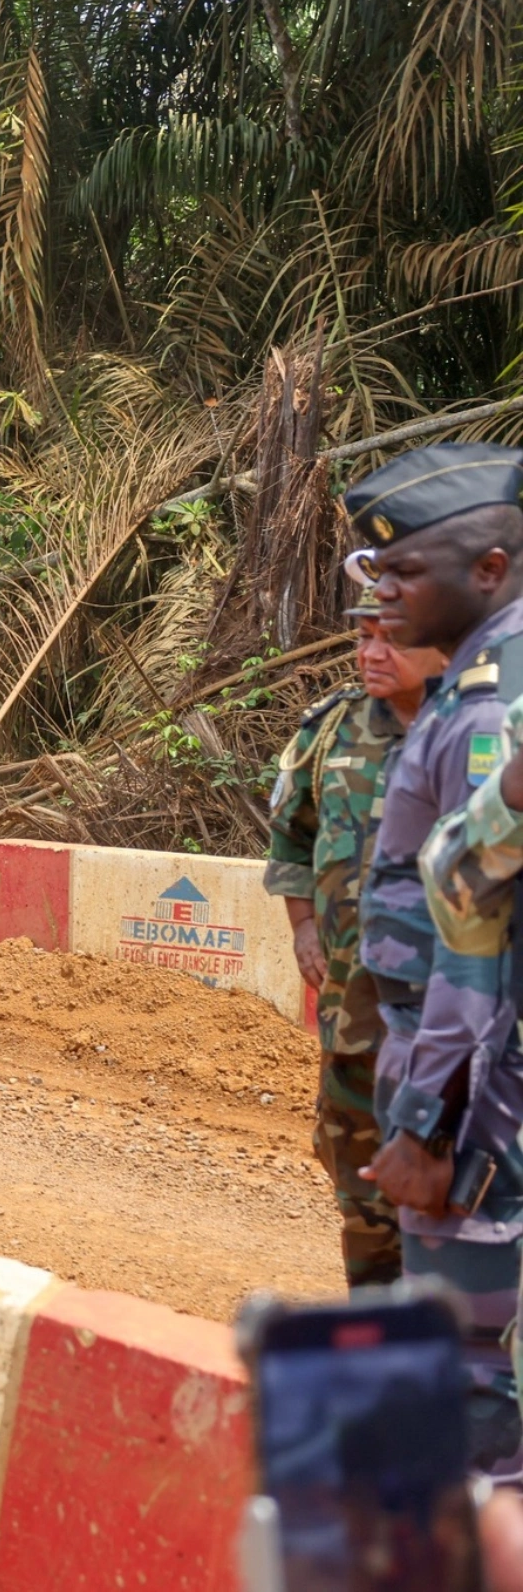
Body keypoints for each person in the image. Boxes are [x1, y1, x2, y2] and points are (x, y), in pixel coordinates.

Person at [349, 442, 523, 1472]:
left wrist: (430, 1123)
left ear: (491, 569)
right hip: (470, 1086)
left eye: (406, 571)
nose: (385, 592)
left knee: (466, 1381)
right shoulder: (471, 687)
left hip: (480, 1105)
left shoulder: (491, 709)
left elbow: (477, 943)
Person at [264, 575, 443, 1290]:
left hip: (454, 1027)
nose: (370, 652)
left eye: (390, 638)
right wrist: (304, 927)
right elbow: (292, 837)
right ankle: (381, 1342)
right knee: (364, 1201)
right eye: (364, 635)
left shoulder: (484, 734)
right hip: (355, 1021)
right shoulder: (333, 727)